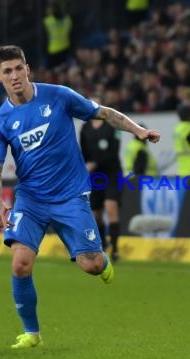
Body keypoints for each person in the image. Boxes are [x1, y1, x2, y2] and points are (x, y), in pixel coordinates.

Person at [0, 45, 160, 349]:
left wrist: (138, 130)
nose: (15, 76)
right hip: (31, 199)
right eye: (7, 71)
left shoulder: (59, 96)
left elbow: (104, 113)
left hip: (70, 196)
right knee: (20, 265)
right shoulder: (1, 122)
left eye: (18, 68)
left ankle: (102, 260)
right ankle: (32, 333)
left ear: (28, 69)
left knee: (90, 265)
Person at [80, 97, 124, 262]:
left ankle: (115, 250)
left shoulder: (111, 125)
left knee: (110, 207)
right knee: (95, 214)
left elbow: (114, 152)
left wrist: (95, 163)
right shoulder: (85, 128)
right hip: (95, 176)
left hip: (112, 173)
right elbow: (83, 152)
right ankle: (103, 246)